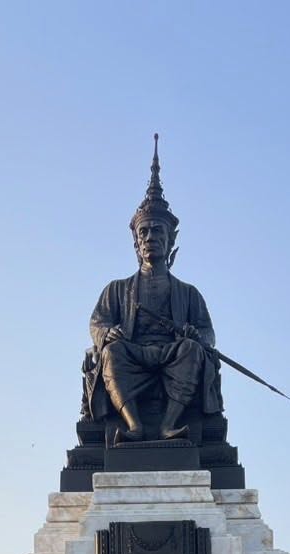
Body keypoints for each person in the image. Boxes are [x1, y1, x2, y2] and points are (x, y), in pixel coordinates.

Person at [83, 137, 222, 443]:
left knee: (192, 350)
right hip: (133, 352)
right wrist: (108, 333)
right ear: (136, 241)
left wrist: (196, 336)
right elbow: (97, 323)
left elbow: (208, 334)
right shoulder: (116, 290)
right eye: (143, 232)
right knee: (112, 352)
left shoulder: (189, 293)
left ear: (171, 239)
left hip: (172, 353)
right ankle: (133, 425)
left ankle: (169, 424)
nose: (150, 238)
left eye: (157, 231)